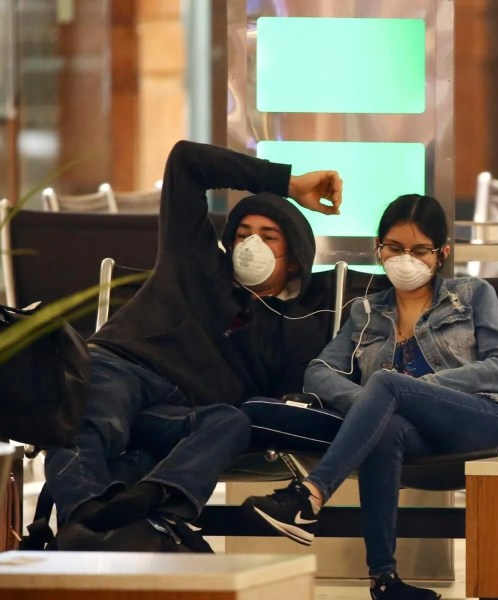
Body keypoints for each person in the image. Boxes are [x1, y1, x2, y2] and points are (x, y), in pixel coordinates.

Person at [243, 194, 498, 600]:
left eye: (419, 250)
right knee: (385, 424)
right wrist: (372, 405)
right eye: (394, 248)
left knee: (388, 385)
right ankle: (386, 582)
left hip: (483, 419)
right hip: (411, 431)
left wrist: (414, 388)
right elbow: (318, 371)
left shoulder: (471, 295)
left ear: (441, 253)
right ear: (379, 249)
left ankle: (310, 495)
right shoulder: (366, 311)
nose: (405, 259)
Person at [45, 140, 342, 547]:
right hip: (125, 365)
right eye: (242, 233)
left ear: (293, 259)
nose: (250, 245)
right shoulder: (193, 259)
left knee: (230, 422)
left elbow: (283, 403)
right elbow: (186, 161)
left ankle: (161, 504)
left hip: (181, 412)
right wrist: (288, 183)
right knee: (93, 413)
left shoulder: (295, 326)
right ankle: (85, 517)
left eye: (269, 237)